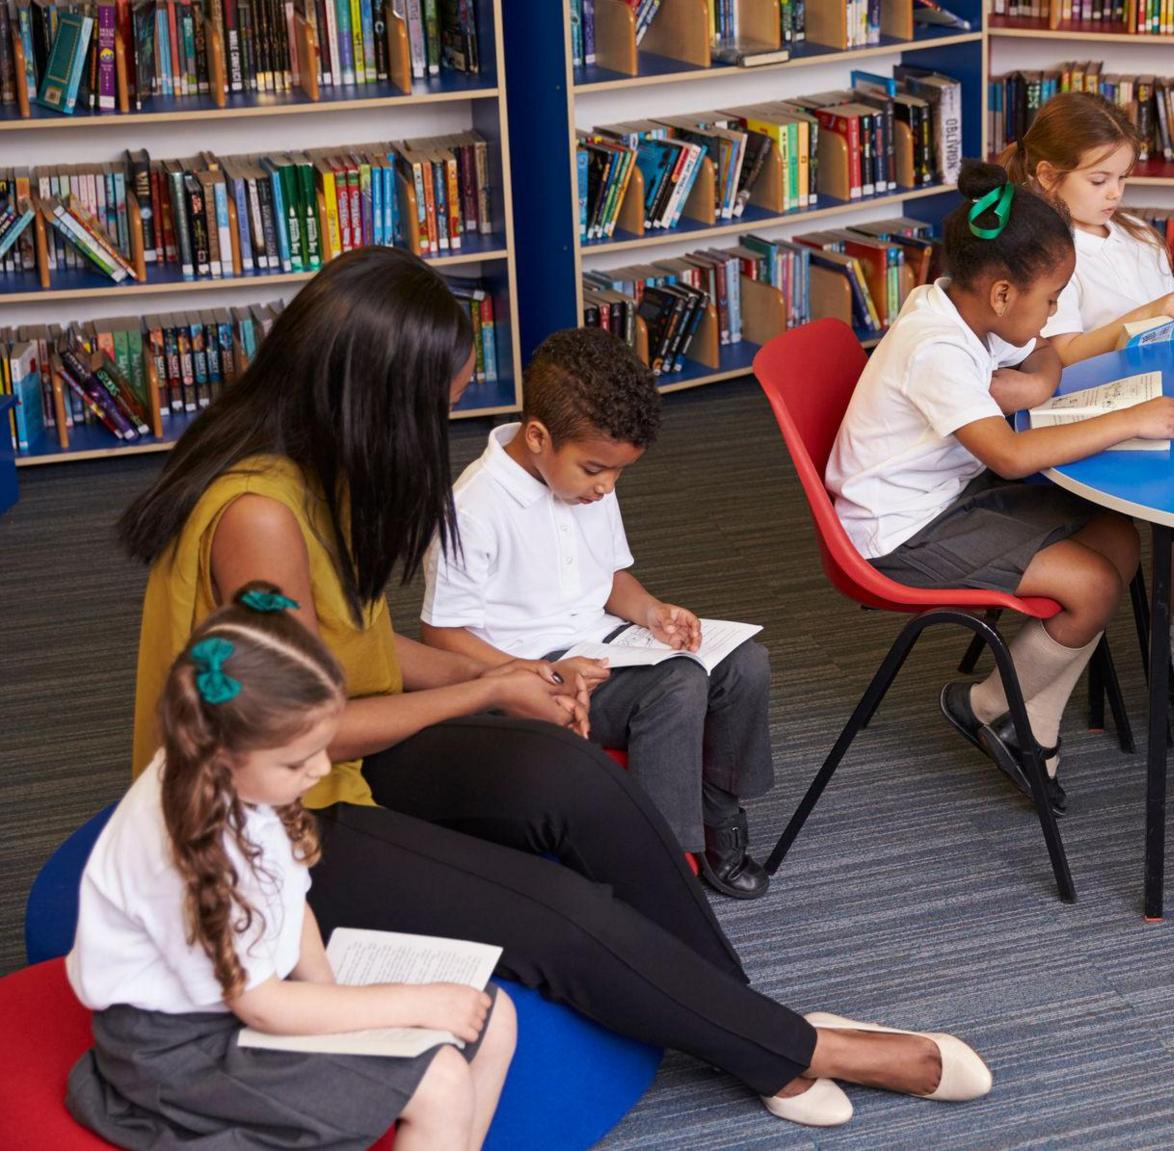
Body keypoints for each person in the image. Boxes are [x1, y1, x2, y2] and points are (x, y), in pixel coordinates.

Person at [117, 245, 987, 1129]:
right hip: (263, 816)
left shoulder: (322, 472)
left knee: (574, 779)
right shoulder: (261, 514)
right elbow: (310, 724)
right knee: (556, 912)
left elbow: (360, 651)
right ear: (376, 389)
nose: (453, 408)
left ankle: (745, 1019)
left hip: (330, 763)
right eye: (441, 392)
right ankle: (803, 1047)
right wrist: (478, 691)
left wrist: (501, 676)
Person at [69, 583, 517, 1151]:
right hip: (182, 1050)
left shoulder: (242, 779)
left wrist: (336, 998)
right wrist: (413, 1003)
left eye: (322, 746)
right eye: (297, 761)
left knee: (493, 1016)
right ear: (221, 756)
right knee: (440, 1079)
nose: (319, 770)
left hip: (254, 1001)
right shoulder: (193, 845)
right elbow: (262, 1007)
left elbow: (291, 898)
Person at [828, 160, 1174, 815]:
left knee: (1116, 536)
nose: (1054, 317)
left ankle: (1021, 717)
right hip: (899, 530)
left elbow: (1038, 360)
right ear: (1000, 295)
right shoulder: (937, 345)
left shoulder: (957, 305)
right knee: (1095, 584)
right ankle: (992, 707)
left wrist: (1041, 373)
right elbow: (1014, 455)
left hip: (950, 493)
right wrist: (1124, 421)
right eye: (1049, 301)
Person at [419, 327, 775, 900]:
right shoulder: (473, 508)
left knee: (744, 664)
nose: (606, 487)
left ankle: (717, 813)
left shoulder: (586, 483)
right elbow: (440, 635)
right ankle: (657, 864)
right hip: (535, 672)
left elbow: (608, 578)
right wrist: (528, 673)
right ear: (537, 437)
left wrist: (653, 611)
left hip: (606, 644)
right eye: (594, 470)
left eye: (618, 473)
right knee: (679, 687)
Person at [1005, 90, 1174, 762]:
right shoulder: (1044, 248)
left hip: (1149, 393)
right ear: (1050, 176)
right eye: (1099, 179)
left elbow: (1159, 332)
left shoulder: (1137, 237)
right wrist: (1147, 315)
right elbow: (1064, 354)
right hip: (1081, 415)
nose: (1115, 194)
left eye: (1124, 179)